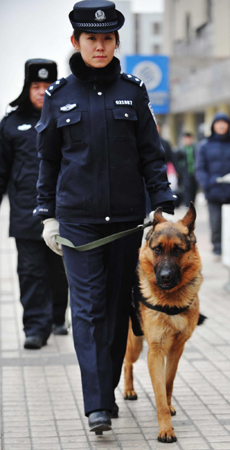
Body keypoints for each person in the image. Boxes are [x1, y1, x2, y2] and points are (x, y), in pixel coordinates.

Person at [34, 0, 176, 434]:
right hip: (78, 222)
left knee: (117, 310)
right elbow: (49, 161)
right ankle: (96, 403)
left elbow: (152, 155)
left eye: (107, 39)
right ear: (75, 42)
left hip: (126, 223)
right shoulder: (59, 96)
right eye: (91, 39)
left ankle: (107, 390)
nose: (99, 46)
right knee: (90, 309)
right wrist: (48, 217)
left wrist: (161, 205)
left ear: (116, 42)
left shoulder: (133, 91)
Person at [0, 59, 69, 350]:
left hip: (63, 211)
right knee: (30, 272)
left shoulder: (67, 117)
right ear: (27, 87)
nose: (42, 92)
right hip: (25, 212)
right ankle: (35, 328)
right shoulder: (11, 124)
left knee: (59, 270)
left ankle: (56, 318)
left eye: (47, 86)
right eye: (35, 86)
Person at [195, 112, 230, 258]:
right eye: (218, 122)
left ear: (229, 126)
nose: (221, 125)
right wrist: (207, 183)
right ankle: (217, 248)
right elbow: (199, 168)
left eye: (224, 122)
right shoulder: (204, 146)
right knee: (216, 221)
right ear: (213, 126)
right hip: (213, 191)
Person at [175, 132, 198, 206]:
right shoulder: (180, 149)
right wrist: (179, 171)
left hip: (194, 172)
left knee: (194, 188)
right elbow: (176, 161)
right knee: (187, 188)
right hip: (185, 172)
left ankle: (192, 203)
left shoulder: (195, 148)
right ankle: (187, 204)